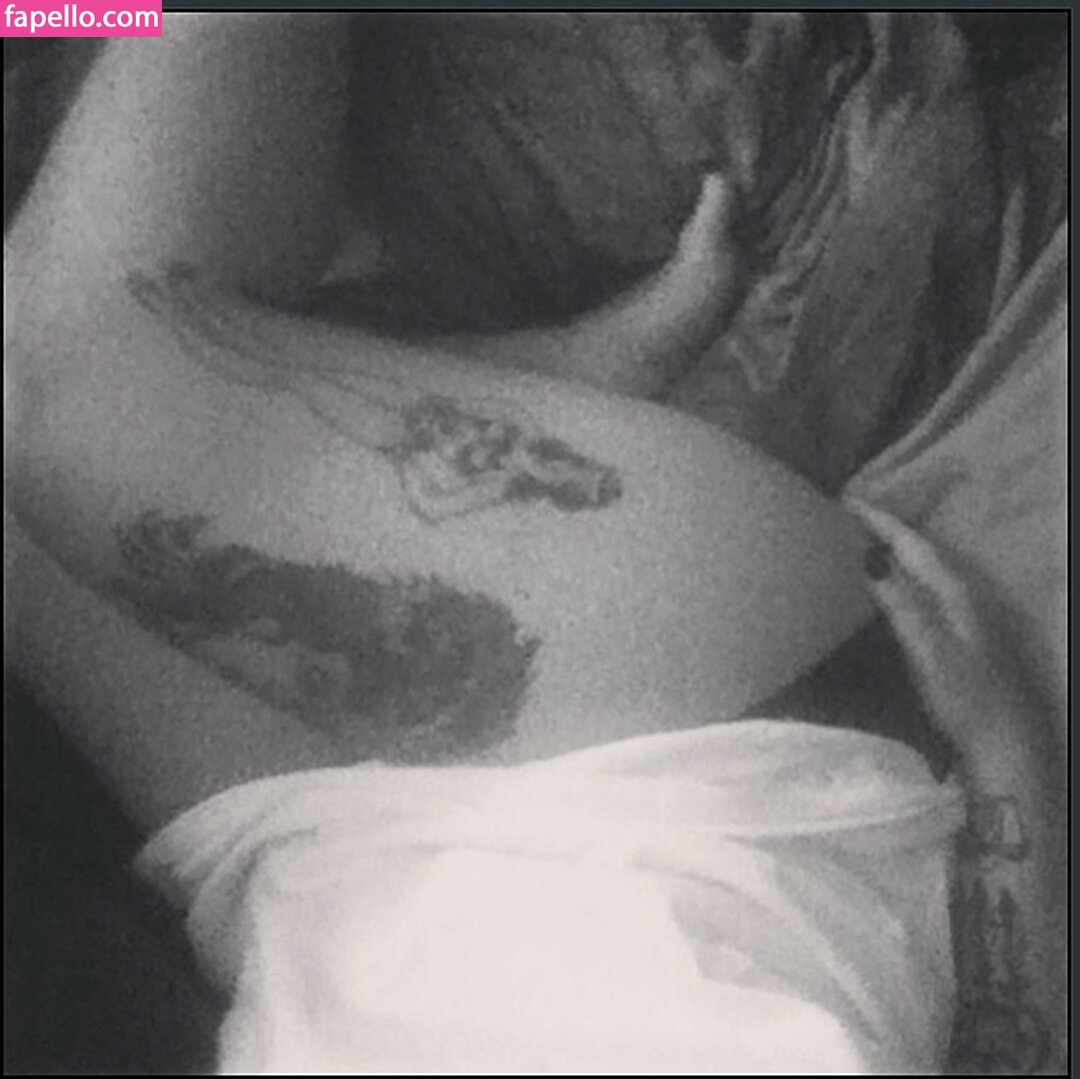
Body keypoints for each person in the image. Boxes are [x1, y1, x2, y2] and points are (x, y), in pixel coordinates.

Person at [5, 12, 1063, 1072]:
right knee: (67, 382)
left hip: (336, 882)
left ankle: (516, 389)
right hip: (720, 766)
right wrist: (1015, 782)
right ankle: (544, 398)